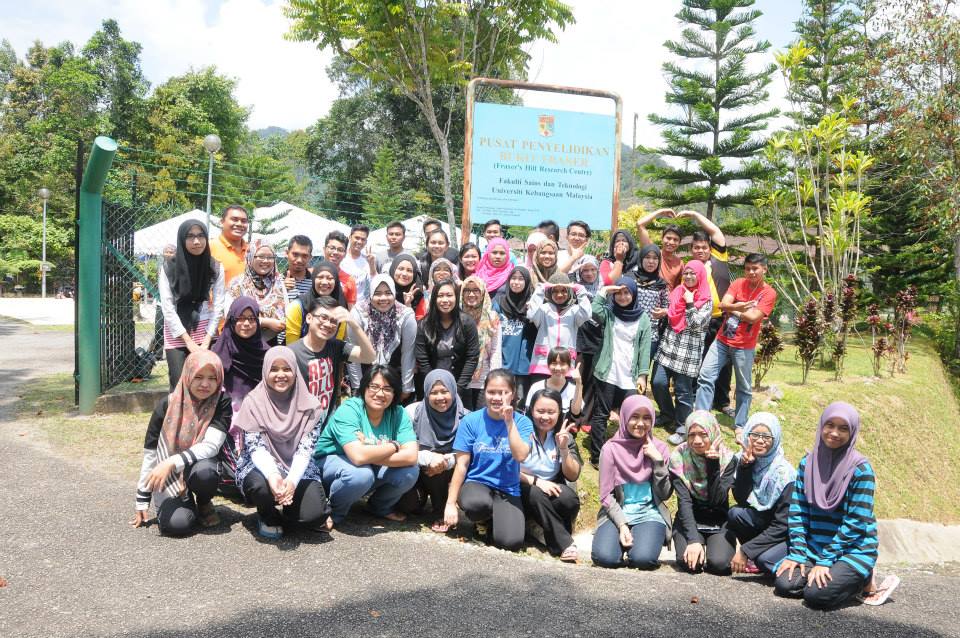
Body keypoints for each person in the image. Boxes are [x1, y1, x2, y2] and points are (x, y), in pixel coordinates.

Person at [774, 402, 882, 609]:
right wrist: (798, 552)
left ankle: (863, 579)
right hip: (815, 547)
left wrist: (826, 560)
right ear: (821, 425)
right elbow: (798, 511)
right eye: (830, 425)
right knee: (786, 585)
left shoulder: (861, 470)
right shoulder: (807, 463)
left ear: (852, 432)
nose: (834, 433)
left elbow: (856, 523)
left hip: (854, 550)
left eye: (843, 428)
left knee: (817, 596)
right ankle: (833, 574)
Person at [234, 346, 332, 539]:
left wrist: (292, 482)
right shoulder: (253, 402)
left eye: (287, 369)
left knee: (314, 514)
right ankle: (267, 515)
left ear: (295, 371)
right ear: (265, 371)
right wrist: (273, 476)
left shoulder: (312, 406)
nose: (281, 375)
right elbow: (256, 448)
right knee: (260, 487)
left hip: (297, 466)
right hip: (259, 466)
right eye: (274, 369)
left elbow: (306, 450)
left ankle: (288, 510)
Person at [132, 351, 231, 536]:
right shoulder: (166, 405)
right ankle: (185, 503)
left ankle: (203, 502)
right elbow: (151, 453)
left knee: (206, 473)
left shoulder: (222, 402)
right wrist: (142, 498)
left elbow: (211, 446)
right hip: (168, 474)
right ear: (187, 376)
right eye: (198, 377)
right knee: (177, 525)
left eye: (212, 378)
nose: (205, 384)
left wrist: (171, 462)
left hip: (196, 465)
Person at [313, 365, 420, 524]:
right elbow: (357, 457)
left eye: (387, 389)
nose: (380, 393)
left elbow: (411, 456)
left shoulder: (398, 413)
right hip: (330, 464)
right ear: (364, 388)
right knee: (360, 474)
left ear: (395, 393)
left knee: (410, 472)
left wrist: (367, 450)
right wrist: (395, 445)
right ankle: (333, 512)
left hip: (366, 466)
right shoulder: (350, 409)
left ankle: (379, 507)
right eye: (374, 387)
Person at [444, 370, 534, 551]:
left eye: (503, 392)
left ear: (513, 394)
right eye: (491, 392)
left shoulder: (523, 422)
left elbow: (521, 456)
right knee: (476, 504)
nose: (497, 398)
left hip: (508, 488)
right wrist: (450, 504)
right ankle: (482, 520)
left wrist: (509, 423)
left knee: (510, 543)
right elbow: (462, 465)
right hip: (478, 483)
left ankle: (495, 522)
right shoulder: (471, 421)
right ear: (484, 392)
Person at [695, 253, 777, 437]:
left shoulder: (769, 293)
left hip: (744, 346)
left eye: (755, 269)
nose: (751, 272)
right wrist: (742, 307)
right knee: (705, 376)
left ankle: (740, 424)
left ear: (764, 269)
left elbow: (754, 317)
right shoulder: (738, 283)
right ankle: (701, 419)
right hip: (722, 340)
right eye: (748, 268)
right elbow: (723, 304)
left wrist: (735, 308)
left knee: (743, 386)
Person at [591, 396, 673, 570]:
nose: (640, 423)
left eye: (646, 417)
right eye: (634, 416)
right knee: (605, 558)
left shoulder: (660, 449)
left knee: (643, 560)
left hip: (650, 513)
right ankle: (616, 543)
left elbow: (665, 493)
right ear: (625, 417)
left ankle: (640, 542)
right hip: (617, 513)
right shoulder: (610, 449)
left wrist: (657, 462)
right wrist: (622, 525)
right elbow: (605, 496)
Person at [586, 277, 652, 466]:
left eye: (627, 292)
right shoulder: (608, 313)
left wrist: (642, 375)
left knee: (631, 415)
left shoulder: (643, 318)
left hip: (630, 376)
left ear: (634, 294)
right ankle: (597, 456)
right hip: (608, 372)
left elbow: (645, 349)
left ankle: (626, 453)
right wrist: (605, 291)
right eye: (619, 293)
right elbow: (593, 310)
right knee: (601, 414)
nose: (623, 297)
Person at [289, 296, 376, 431]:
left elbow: (369, 357)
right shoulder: (291, 352)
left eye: (334, 321)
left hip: (329, 424)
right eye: (323, 318)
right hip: (301, 426)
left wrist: (353, 324)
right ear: (309, 318)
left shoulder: (336, 347)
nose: (328, 324)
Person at [668, 411, 738, 575]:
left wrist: (712, 465)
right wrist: (692, 540)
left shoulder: (727, 459)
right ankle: (696, 541)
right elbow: (684, 502)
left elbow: (717, 500)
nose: (697, 441)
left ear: (713, 433)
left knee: (719, 565)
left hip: (718, 519)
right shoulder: (679, 457)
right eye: (692, 435)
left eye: (703, 434)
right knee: (689, 565)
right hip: (690, 518)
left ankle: (715, 547)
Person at [158, 220, 225, 389]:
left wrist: (207, 340)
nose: (197, 241)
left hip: (206, 329)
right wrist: (188, 341)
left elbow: (218, 306)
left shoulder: (215, 266)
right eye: (190, 236)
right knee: (179, 383)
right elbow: (167, 307)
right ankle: (179, 416)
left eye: (201, 235)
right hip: (177, 331)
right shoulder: (168, 268)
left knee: (208, 383)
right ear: (182, 239)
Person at [398, 370, 468, 531]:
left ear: (453, 390)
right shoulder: (412, 412)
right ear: (426, 393)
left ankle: (441, 509)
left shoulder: (466, 418)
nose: (440, 397)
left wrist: (447, 461)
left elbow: (470, 455)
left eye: (444, 391)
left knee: (441, 464)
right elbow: (401, 448)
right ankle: (420, 499)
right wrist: (428, 457)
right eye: (433, 392)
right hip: (416, 470)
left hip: (446, 476)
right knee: (408, 504)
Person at [653, 260, 713, 446]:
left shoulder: (705, 299)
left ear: (700, 275)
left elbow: (696, 324)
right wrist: (666, 312)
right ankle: (667, 413)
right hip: (669, 346)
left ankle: (682, 427)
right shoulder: (677, 291)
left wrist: (689, 303)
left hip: (688, 352)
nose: (688, 276)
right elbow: (672, 313)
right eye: (686, 273)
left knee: (683, 392)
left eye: (692, 273)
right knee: (658, 382)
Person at [728, 412, 796, 576]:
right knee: (735, 513)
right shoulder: (742, 459)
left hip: (784, 533)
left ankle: (762, 557)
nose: (759, 440)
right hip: (763, 523)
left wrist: (746, 550)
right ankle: (756, 556)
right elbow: (741, 499)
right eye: (754, 434)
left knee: (765, 561)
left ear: (775, 439)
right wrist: (746, 467)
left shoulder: (785, 474)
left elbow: (782, 525)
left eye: (766, 436)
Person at [680, 209, 733, 416]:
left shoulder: (719, 257)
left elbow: (716, 231)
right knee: (697, 360)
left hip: (721, 320)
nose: (700, 250)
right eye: (696, 248)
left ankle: (723, 401)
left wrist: (694, 214)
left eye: (704, 247)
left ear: (710, 249)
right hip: (698, 321)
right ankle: (696, 399)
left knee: (724, 363)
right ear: (691, 250)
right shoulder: (690, 267)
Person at [520, 388, 581, 560]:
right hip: (521, 485)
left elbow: (573, 475)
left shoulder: (563, 435)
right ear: (531, 410)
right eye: (540, 411)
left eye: (551, 412)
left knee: (569, 499)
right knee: (534, 494)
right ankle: (564, 544)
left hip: (549, 487)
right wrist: (537, 482)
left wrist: (563, 449)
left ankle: (541, 530)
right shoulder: (521, 430)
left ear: (559, 413)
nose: (545, 417)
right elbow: (506, 467)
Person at [346, 274, 417, 400]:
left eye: (388, 293)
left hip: (395, 378)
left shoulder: (405, 315)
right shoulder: (358, 313)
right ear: (371, 293)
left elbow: (408, 353)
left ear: (394, 293)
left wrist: (406, 387)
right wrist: (357, 387)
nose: (383, 298)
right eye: (377, 293)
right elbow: (353, 353)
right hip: (366, 377)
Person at [414, 279, 480, 403]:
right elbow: (422, 360)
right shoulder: (424, 325)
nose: (445, 300)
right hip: (432, 391)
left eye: (449, 295)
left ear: (456, 297)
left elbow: (472, 357)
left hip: (461, 389)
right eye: (440, 296)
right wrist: (434, 387)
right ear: (434, 298)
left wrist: (458, 389)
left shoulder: (467, 323)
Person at [526, 273, 592, 379]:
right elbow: (531, 314)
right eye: (555, 291)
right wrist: (541, 289)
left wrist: (580, 290)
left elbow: (587, 314)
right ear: (549, 293)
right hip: (542, 363)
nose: (559, 295)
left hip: (565, 364)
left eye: (564, 290)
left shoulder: (574, 311)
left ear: (569, 292)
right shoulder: (544, 309)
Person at [212, 297, 270, 414]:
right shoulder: (218, 353)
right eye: (241, 318)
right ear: (232, 320)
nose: (247, 324)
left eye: (251, 318)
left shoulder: (267, 354)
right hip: (225, 414)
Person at [226, 242, 287, 344]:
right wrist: (266, 323)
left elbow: (286, 311)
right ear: (250, 256)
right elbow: (231, 316)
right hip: (240, 343)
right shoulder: (236, 284)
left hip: (270, 343)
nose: (266, 261)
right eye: (261, 256)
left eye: (270, 257)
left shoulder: (278, 283)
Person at [493, 266, 537, 406]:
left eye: (521, 279)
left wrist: (533, 311)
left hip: (524, 364)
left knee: (520, 403)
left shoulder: (533, 304)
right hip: (503, 360)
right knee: (501, 401)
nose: (516, 282)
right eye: (513, 278)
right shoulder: (499, 302)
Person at [460, 276, 502, 410]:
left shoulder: (492, 317)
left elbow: (495, 350)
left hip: (484, 379)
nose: (471, 294)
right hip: (461, 378)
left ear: (483, 292)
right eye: (467, 290)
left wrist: (494, 378)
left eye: (476, 290)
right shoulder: (456, 315)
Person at [285, 260, 349, 345]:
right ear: (313, 279)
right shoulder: (297, 306)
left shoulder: (340, 309)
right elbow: (291, 345)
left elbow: (338, 342)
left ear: (336, 282)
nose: (324, 282)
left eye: (330, 278)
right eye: (320, 277)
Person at [573, 255, 603, 429]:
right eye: (585, 270)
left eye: (593, 269)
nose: (589, 273)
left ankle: (586, 418)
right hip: (578, 340)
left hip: (597, 341)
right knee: (577, 378)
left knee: (592, 381)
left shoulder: (603, 290)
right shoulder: (575, 289)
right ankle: (574, 417)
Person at [634, 244, 670, 363]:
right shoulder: (631, 279)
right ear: (641, 258)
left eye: (655, 258)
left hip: (651, 334)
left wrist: (663, 312)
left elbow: (667, 306)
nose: (651, 261)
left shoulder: (661, 284)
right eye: (647, 257)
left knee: (642, 370)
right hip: (629, 331)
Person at [525, 347, 583, 420]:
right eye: (554, 363)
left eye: (562, 364)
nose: (558, 368)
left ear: (569, 366)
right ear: (548, 365)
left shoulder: (573, 389)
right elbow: (528, 412)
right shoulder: (536, 387)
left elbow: (576, 412)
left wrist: (578, 382)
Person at [636, 208, 683, 290]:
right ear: (662, 238)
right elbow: (640, 224)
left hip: (668, 301)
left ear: (679, 243)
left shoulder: (679, 263)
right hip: (649, 299)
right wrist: (660, 212)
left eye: (675, 240)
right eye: (668, 238)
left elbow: (679, 288)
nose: (671, 242)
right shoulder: (653, 253)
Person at [148, 243, 177, 359]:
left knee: (174, 328)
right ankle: (158, 354)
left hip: (174, 304)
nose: (169, 254)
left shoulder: (179, 267)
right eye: (167, 251)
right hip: (161, 303)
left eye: (171, 252)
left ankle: (175, 352)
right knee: (159, 328)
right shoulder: (160, 267)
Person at [209, 205, 249, 287]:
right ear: (222, 222)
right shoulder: (210, 247)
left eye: (244, 221)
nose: (239, 224)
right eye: (234, 219)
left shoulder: (252, 251)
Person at [340, 224, 376, 303]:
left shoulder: (368, 260)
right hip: (340, 303)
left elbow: (375, 281)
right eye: (357, 238)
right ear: (350, 237)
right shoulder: (340, 256)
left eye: (363, 239)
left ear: (366, 242)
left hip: (359, 305)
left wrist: (372, 265)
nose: (359, 242)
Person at [323, 231, 358, 307]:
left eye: (340, 250)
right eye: (332, 248)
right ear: (324, 249)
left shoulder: (349, 280)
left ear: (345, 254)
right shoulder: (311, 274)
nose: (335, 252)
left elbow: (350, 311)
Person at [389, 254, 427, 321]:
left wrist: (408, 305)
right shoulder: (384, 291)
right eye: (401, 269)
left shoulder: (419, 294)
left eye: (409, 270)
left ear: (414, 274)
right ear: (393, 269)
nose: (404, 274)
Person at [283, 235, 315, 302]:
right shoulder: (276, 282)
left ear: (310, 257)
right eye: (295, 254)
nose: (299, 260)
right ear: (286, 253)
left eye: (304, 256)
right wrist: (281, 290)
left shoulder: (316, 284)